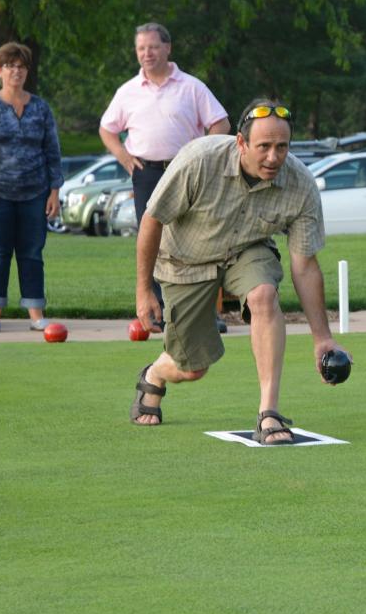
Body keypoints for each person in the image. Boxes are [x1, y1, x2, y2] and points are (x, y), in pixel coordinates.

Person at [129, 98, 351, 444]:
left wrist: (322, 337)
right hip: (185, 261)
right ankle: (156, 372)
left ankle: (269, 413)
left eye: (282, 147)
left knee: (264, 295)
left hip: (247, 250)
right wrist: (144, 289)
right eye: (264, 147)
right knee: (191, 368)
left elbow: (304, 265)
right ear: (241, 143)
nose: (274, 157)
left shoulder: (301, 184)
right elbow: (152, 220)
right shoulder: (199, 160)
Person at [0, 42, 63, 333]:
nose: (15, 71)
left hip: (35, 192)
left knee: (32, 252)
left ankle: (35, 314)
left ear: (26, 71)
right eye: (9, 66)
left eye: (20, 66)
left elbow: (53, 152)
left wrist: (54, 192)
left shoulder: (41, 108)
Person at [98, 22, 230, 226]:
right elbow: (107, 129)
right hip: (146, 172)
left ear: (167, 48)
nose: (147, 53)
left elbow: (221, 124)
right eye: (141, 48)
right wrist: (123, 156)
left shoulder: (192, 87)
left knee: (188, 228)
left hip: (186, 170)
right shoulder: (127, 91)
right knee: (149, 234)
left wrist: (203, 154)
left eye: (153, 47)